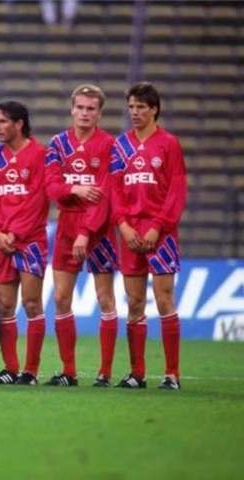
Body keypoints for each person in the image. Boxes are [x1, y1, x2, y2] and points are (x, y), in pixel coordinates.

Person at [110, 81, 187, 390]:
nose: (134, 112)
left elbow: (176, 191)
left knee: (164, 299)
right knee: (134, 302)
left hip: (161, 233)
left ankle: (172, 374)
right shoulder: (121, 145)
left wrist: (158, 226)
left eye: (140, 107)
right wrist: (123, 225)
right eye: (131, 107)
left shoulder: (168, 144)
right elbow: (115, 190)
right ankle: (137, 373)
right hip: (129, 232)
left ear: (154, 109)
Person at [44, 84, 119, 387]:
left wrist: (86, 232)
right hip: (67, 226)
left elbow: (105, 194)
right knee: (61, 298)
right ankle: (69, 371)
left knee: (105, 299)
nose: (85, 113)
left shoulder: (110, 145)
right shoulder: (57, 144)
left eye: (91, 109)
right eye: (81, 107)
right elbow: (51, 188)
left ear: (99, 113)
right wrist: (75, 188)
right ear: (72, 109)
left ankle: (105, 373)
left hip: (99, 229)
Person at [0, 101, 49, 385]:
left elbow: (38, 200)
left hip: (30, 240)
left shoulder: (41, 155)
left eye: (2, 122)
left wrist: (16, 233)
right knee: (4, 305)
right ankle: (10, 369)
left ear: (19, 124)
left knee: (32, 303)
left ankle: (30, 371)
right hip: (0, 240)